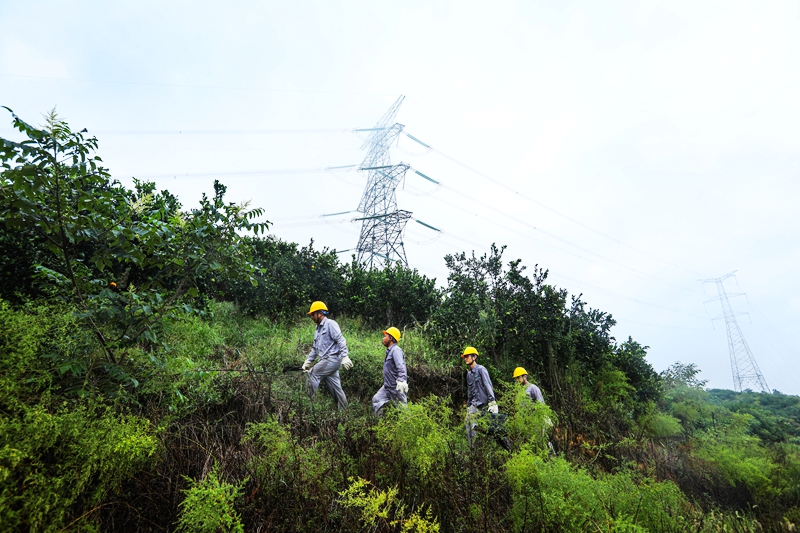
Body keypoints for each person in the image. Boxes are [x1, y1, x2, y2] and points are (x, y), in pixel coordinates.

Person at [301, 301, 353, 410]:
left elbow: (340, 340)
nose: (311, 317)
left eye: (313, 314)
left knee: (312, 375)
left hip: (332, 360)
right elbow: (315, 349)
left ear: (320, 313)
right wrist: (308, 361)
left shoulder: (330, 324)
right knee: (336, 389)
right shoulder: (317, 329)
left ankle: (307, 407)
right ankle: (344, 413)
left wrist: (344, 356)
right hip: (326, 362)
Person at [462, 346, 510, 449]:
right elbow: (470, 392)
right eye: (464, 357)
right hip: (475, 406)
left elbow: (488, 384)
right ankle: (473, 450)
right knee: (469, 423)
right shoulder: (469, 375)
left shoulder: (481, 369)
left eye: (467, 356)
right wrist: (469, 405)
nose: (465, 358)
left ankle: (508, 448)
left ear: (474, 357)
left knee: (495, 428)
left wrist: (492, 401)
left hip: (485, 404)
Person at [372, 326, 408, 417]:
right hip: (387, 387)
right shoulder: (389, 351)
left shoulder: (396, 351)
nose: (383, 338)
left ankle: (408, 427)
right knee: (377, 400)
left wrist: (402, 380)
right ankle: (379, 426)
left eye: (385, 336)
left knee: (403, 411)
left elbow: (401, 366)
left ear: (391, 338)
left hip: (396, 387)